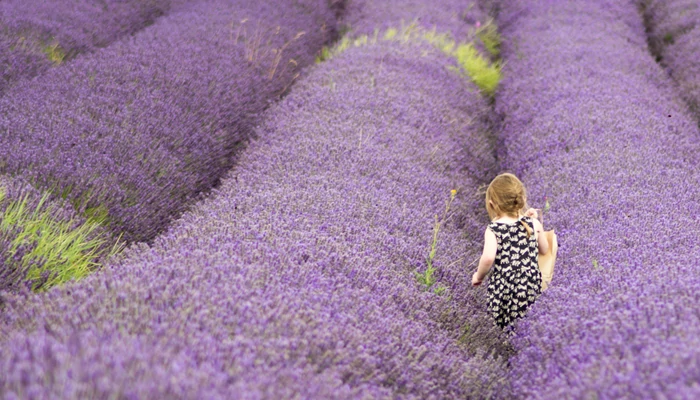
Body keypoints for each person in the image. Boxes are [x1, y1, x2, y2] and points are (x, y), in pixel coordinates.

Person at [472, 173, 549, 329]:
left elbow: (488, 258)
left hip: (504, 287)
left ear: (492, 204)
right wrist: (537, 223)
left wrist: (478, 276)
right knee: (528, 324)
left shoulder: (494, 228)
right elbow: (545, 249)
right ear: (523, 200)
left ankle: (504, 344)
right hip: (530, 285)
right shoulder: (533, 224)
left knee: (502, 327)